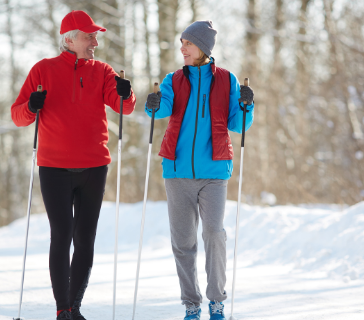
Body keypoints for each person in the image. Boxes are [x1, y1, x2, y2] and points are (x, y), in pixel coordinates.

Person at [11, 10, 136, 320]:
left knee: (85, 238)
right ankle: (62, 308)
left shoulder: (103, 70)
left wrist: (126, 93)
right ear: (70, 39)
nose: (95, 40)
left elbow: (124, 107)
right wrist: (31, 106)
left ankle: (75, 308)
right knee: (62, 234)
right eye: (89, 35)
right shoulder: (43, 70)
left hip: (95, 166)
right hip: (54, 167)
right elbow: (17, 115)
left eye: (96, 35)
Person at [145, 20, 254, 320]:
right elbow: (161, 108)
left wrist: (247, 106)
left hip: (214, 172)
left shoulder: (227, 80)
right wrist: (153, 104)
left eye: (188, 44)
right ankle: (191, 304)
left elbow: (238, 124)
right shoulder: (174, 79)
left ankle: (216, 300)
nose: (182, 48)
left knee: (214, 234)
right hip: (177, 171)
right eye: (182, 43)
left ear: (203, 48)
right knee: (183, 242)